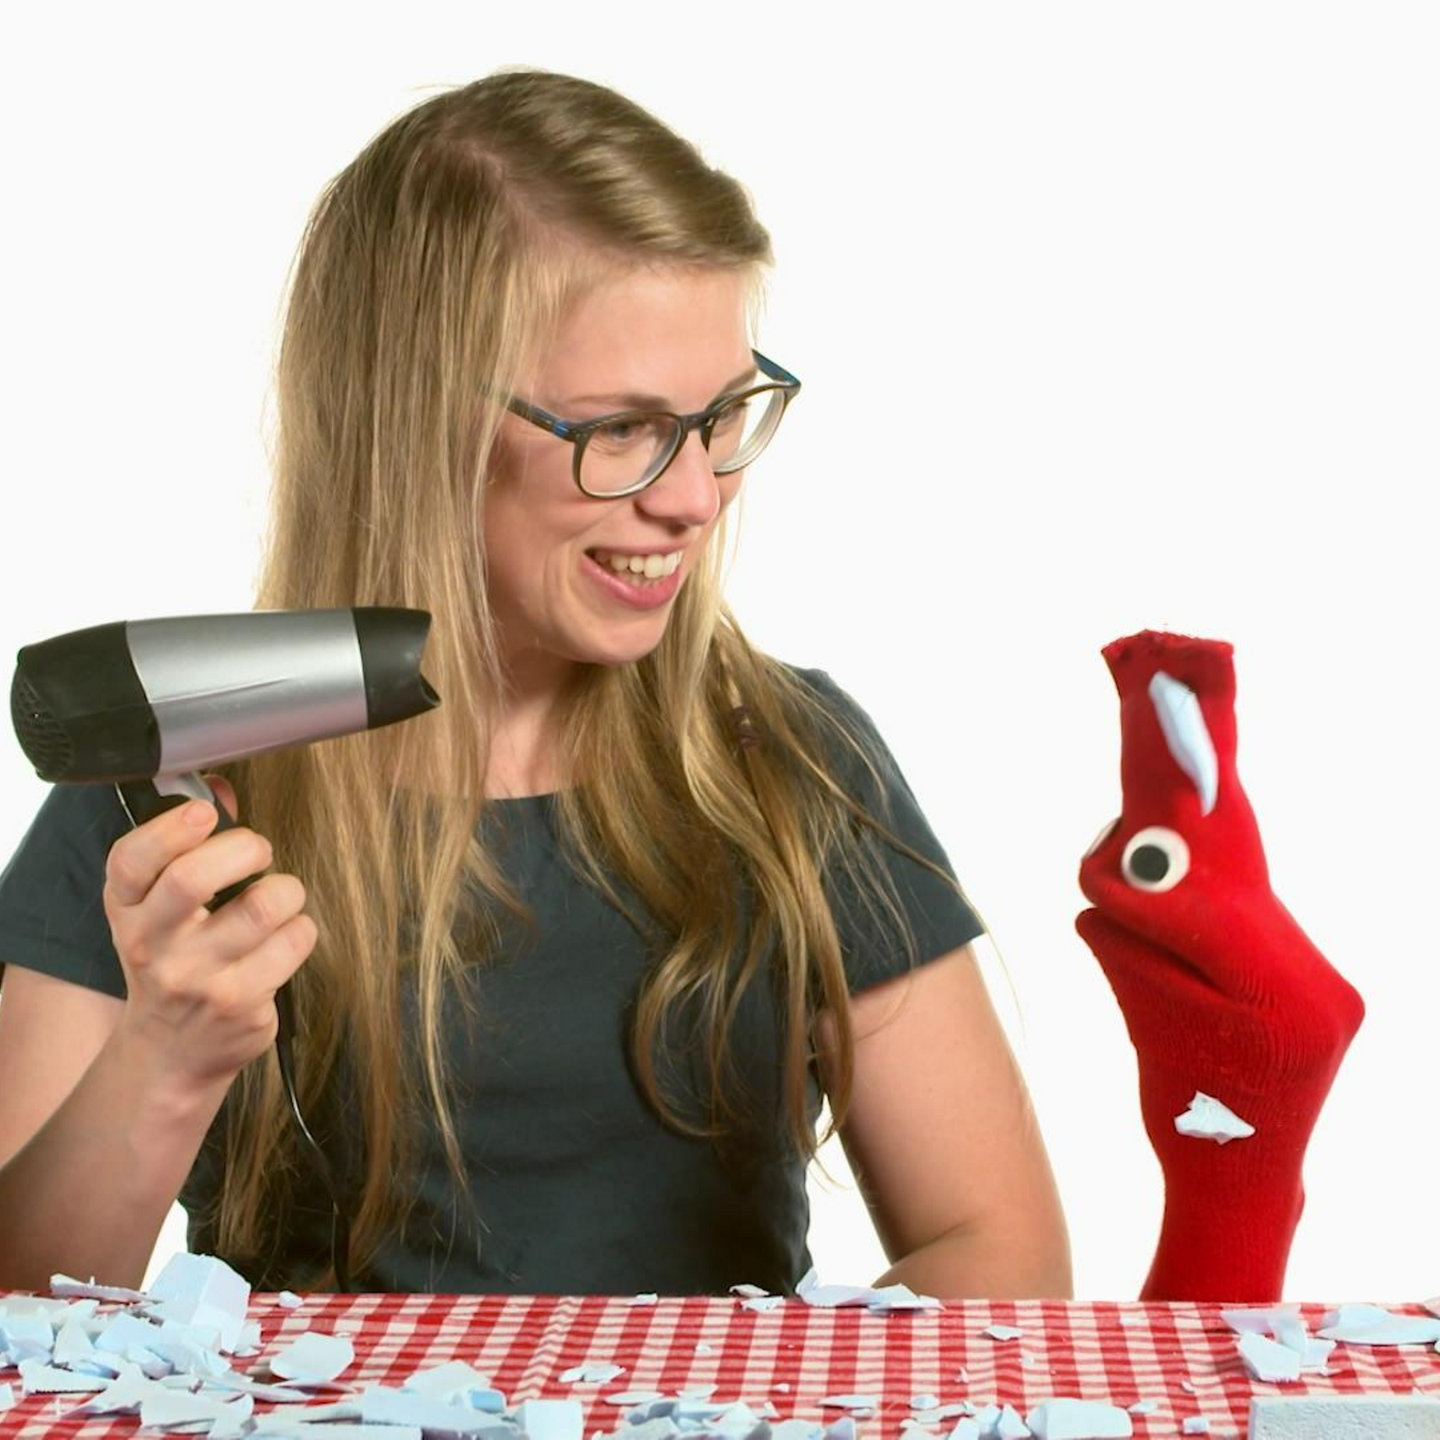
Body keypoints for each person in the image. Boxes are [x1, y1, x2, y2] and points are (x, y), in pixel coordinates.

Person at [0, 70, 1071, 1297]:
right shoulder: (168, 804)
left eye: (722, 415)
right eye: (620, 429)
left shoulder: (790, 763)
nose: (695, 497)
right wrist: (165, 1059)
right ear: (417, 421)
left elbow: (1001, 1253)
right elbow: (17, 1325)